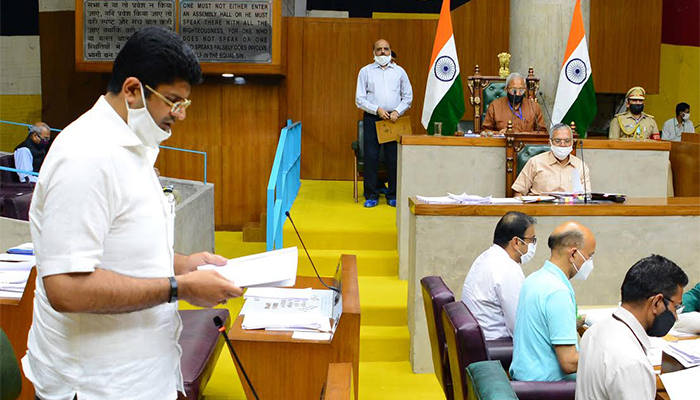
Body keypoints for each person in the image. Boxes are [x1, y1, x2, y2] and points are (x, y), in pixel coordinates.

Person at [23, 27, 243, 400]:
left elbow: (123, 248)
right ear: (132, 90)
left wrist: (183, 264)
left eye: (184, 104)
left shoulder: (132, 146)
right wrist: (179, 288)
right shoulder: (85, 156)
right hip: (96, 384)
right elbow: (66, 288)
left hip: (140, 375)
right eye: (173, 101)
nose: (180, 115)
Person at [576, 255, 688, 400]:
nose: (676, 316)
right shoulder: (632, 364)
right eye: (675, 307)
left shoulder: (594, 331)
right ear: (656, 302)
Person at [510, 221, 596, 382]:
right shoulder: (558, 292)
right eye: (589, 256)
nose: (590, 263)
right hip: (550, 389)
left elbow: (542, 325)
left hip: (527, 380)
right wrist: (608, 354)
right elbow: (569, 363)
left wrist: (576, 322)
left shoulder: (534, 279)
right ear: (573, 254)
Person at [461, 211, 537, 340]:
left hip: (480, 342)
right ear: (516, 242)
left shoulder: (486, 257)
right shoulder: (508, 268)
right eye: (532, 240)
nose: (533, 245)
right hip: (496, 348)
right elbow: (520, 326)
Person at [355, 38, 413, 208]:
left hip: (393, 120)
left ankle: (393, 194)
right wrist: (377, 109)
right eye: (379, 49)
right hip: (373, 118)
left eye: (386, 49)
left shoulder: (400, 72)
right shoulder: (365, 71)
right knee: (371, 158)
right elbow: (359, 99)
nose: (382, 52)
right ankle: (371, 195)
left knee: (393, 158)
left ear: (390, 51)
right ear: (373, 52)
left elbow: (408, 96)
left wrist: (397, 111)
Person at [512, 123, 590, 196]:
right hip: (539, 208)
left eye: (567, 141)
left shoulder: (580, 166)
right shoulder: (535, 162)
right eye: (557, 141)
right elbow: (519, 192)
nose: (562, 145)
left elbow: (586, 197)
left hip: (570, 209)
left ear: (572, 142)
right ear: (550, 142)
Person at [481, 72, 547, 134]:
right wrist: (498, 133)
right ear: (506, 89)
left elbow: (543, 132)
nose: (517, 94)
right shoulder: (495, 106)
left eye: (521, 90)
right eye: (514, 90)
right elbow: (484, 131)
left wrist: (528, 135)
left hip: (527, 144)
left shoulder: (534, 106)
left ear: (525, 89)